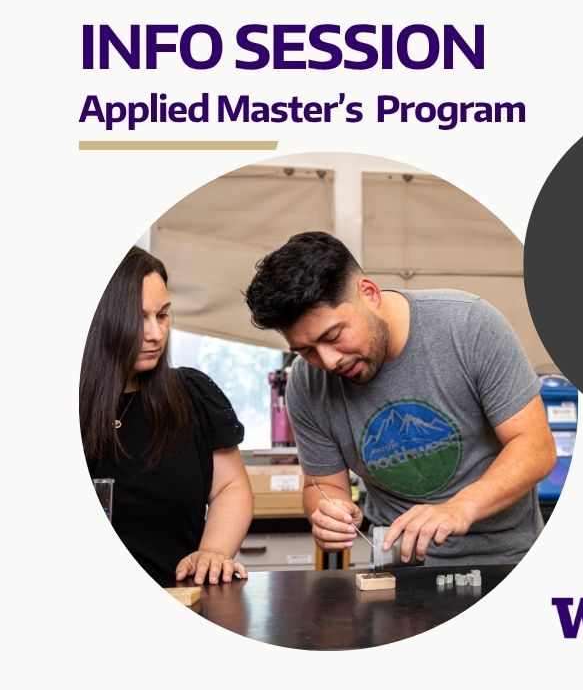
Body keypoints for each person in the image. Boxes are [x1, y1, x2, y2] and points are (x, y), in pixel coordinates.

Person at [244, 231, 556, 566]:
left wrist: (461, 507)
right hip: (397, 569)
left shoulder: (469, 325)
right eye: (306, 350)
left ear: (369, 292)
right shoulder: (307, 384)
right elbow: (321, 486)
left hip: (506, 561)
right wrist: (327, 513)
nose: (328, 361)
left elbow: (536, 447)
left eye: (333, 336)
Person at [80, 247, 254, 586]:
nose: (156, 334)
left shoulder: (193, 394)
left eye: (162, 315)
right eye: (138, 318)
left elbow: (230, 487)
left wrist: (214, 551)